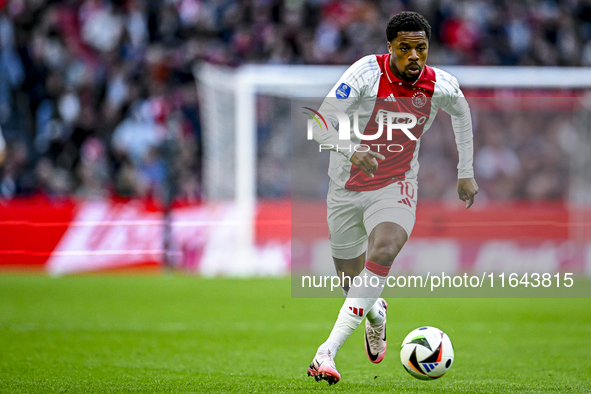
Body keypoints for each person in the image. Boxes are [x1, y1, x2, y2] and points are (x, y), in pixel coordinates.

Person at [307, 11, 479, 385]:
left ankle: (326, 353)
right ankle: (376, 314)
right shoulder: (365, 74)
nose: (415, 56)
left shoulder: (440, 84)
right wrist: (352, 150)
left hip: (396, 185)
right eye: (405, 48)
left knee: (382, 251)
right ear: (390, 48)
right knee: (354, 284)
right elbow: (319, 122)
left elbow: (462, 113)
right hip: (346, 188)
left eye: (421, 48)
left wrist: (465, 170)